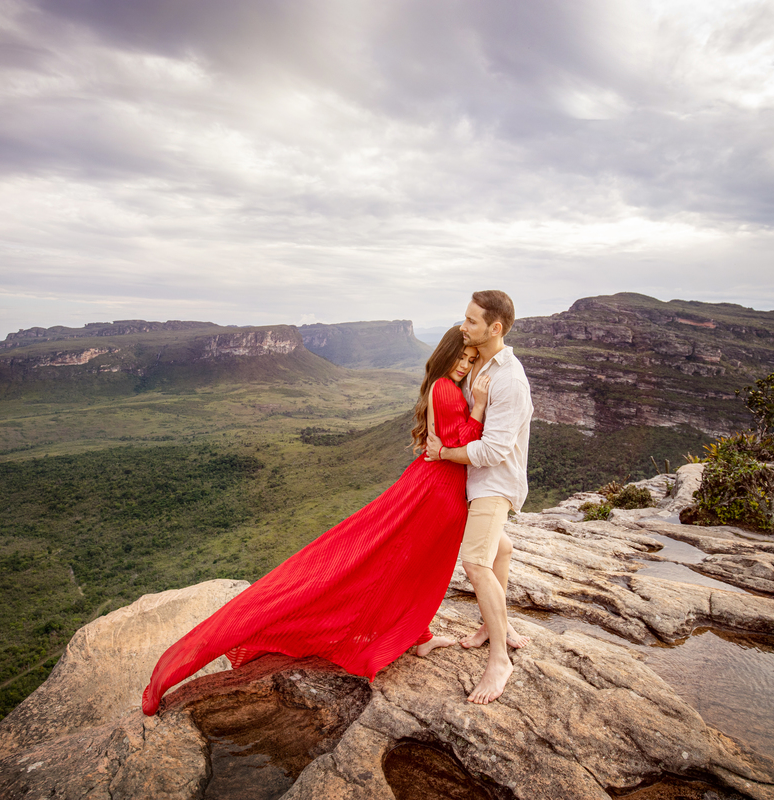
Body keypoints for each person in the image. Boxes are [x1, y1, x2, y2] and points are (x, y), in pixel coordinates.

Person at [141, 326, 489, 715]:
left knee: (411, 568)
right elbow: (463, 442)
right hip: (435, 493)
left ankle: (417, 634)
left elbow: (451, 444)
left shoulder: (444, 387)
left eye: (471, 359)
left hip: (437, 490)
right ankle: (411, 635)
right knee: (404, 567)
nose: (465, 364)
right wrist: (478, 408)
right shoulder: (445, 387)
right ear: (445, 354)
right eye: (461, 356)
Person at [425, 290, 533, 704]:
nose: (463, 326)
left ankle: (500, 660)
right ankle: (493, 627)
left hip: (494, 482)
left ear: (495, 328)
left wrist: (444, 453)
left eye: (471, 321)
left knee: (474, 561)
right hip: (473, 480)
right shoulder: (478, 364)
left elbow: (493, 452)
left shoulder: (509, 379)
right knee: (499, 551)